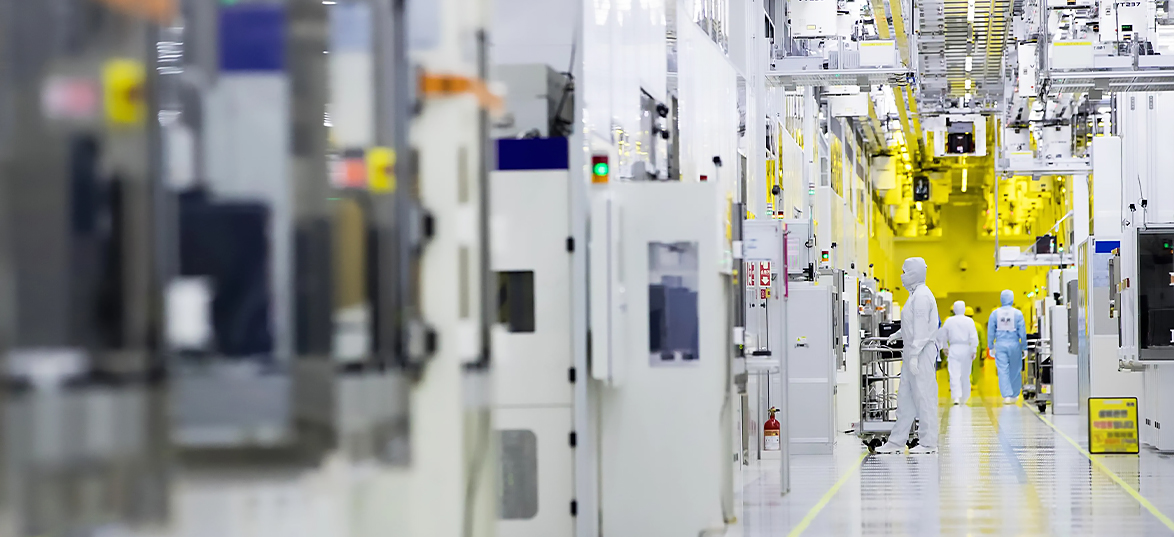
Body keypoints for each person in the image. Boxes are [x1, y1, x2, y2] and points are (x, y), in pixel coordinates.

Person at [876, 258, 940, 454]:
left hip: (921, 353)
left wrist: (914, 356)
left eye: (904, 272)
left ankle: (928, 443)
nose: (902, 276)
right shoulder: (914, 295)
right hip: (912, 351)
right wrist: (897, 335)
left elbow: (921, 330)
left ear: (914, 273)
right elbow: (911, 325)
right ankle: (896, 441)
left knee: (924, 397)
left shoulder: (921, 296)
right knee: (905, 399)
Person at [988, 289, 1027, 405]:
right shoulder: (1017, 313)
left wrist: (991, 346)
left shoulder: (995, 314)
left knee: (1002, 370)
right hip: (1014, 344)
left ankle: (1006, 395)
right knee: (1015, 369)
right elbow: (1022, 332)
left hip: (1000, 344)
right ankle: (1014, 394)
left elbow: (991, 331)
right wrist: (1024, 347)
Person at [939, 301, 979, 406]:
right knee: (965, 374)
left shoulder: (949, 321)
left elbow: (943, 336)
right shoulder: (969, 321)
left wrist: (945, 347)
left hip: (954, 348)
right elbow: (973, 337)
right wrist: (973, 349)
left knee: (954, 374)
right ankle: (965, 397)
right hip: (966, 348)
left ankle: (956, 397)